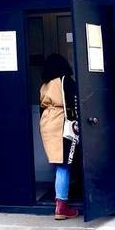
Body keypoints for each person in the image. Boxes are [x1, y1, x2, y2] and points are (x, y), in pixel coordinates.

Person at [39, 53, 80, 220]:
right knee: (64, 165)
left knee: (59, 162)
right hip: (62, 122)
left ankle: (60, 201)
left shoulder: (45, 85)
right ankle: (61, 206)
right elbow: (75, 101)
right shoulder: (65, 81)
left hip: (46, 122)